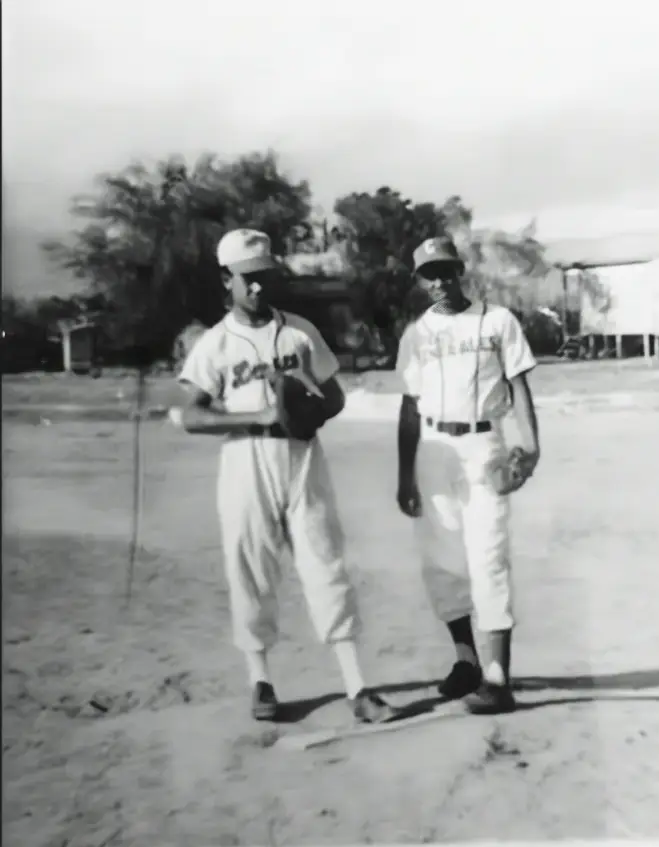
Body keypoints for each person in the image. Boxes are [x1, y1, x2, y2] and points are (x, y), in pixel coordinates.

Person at [170, 228, 400, 725]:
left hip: (302, 457)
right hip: (246, 460)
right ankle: (261, 681)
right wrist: (258, 419)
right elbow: (191, 415)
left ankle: (357, 686)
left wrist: (306, 407)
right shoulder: (215, 344)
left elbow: (335, 397)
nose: (257, 289)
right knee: (250, 569)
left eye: (264, 278)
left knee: (326, 562)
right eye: (247, 280)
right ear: (226, 280)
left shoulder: (298, 331)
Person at [395, 235, 540, 714]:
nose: (439, 281)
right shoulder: (417, 334)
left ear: (460, 271)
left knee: (489, 555)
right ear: (420, 281)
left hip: (484, 444)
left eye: (446, 270)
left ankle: (498, 678)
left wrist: (531, 444)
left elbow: (518, 384)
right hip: (434, 451)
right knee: (441, 560)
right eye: (429, 274)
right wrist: (404, 474)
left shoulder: (496, 320)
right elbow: (410, 407)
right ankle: (466, 661)